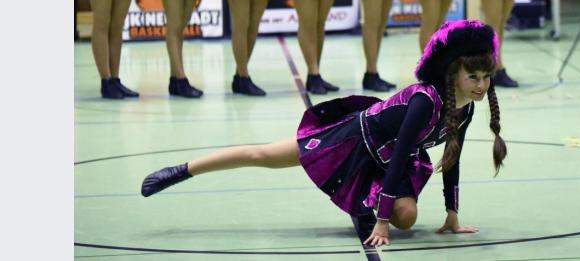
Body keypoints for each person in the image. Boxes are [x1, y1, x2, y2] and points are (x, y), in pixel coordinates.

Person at [140, 19, 507, 247]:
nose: (479, 84)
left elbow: (452, 158)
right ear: (453, 75)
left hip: (390, 158)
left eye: (484, 77)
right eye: (471, 77)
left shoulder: (466, 108)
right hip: (354, 141)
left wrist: (452, 215)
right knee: (264, 156)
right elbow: (398, 157)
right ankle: (182, 170)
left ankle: (366, 204)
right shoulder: (426, 101)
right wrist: (380, 221)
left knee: (407, 217)